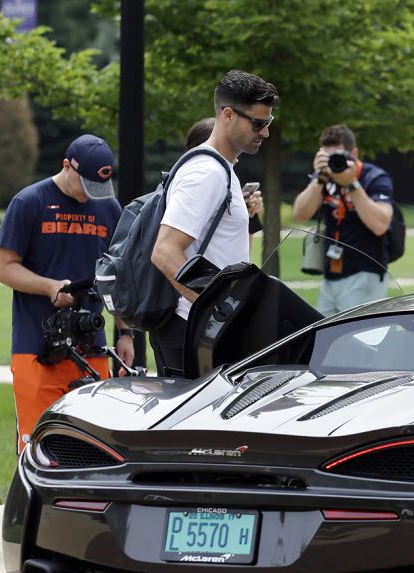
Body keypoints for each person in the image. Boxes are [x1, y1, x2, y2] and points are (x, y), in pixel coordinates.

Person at [0, 133, 134, 451]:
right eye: (84, 185)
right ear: (66, 166)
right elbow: (4, 267)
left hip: (92, 349)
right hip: (37, 348)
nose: (89, 195)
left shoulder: (108, 208)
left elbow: (118, 276)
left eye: (97, 188)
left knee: (93, 449)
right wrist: (48, 286)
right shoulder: (30, 202)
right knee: (38, 447)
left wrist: (125, 334)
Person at [150, 70, 279, 377]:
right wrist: (217, 311)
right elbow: (165, 252)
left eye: (268, 123)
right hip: (192, 330)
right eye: (258, 124)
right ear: (228, 115)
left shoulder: (222, 169)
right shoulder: (206, 172)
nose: (265, 133)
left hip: (206, 330)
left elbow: (228, 254)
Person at [291, 124, 395, 315]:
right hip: (331, 274)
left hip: (365, 273)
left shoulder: (373, 177)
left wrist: (352, 184)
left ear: (354, 153)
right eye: (328, 157)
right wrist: (319, 179)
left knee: (362, 342)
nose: (334, 163)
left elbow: (381, 225)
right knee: (325, 339)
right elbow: (300, 215)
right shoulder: (324, 177)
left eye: (338, 157)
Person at [185, 117, 265, 246]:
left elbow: (242, 252)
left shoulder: (228, 178)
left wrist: (246, 215)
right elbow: (166, 250)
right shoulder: (201, 179)